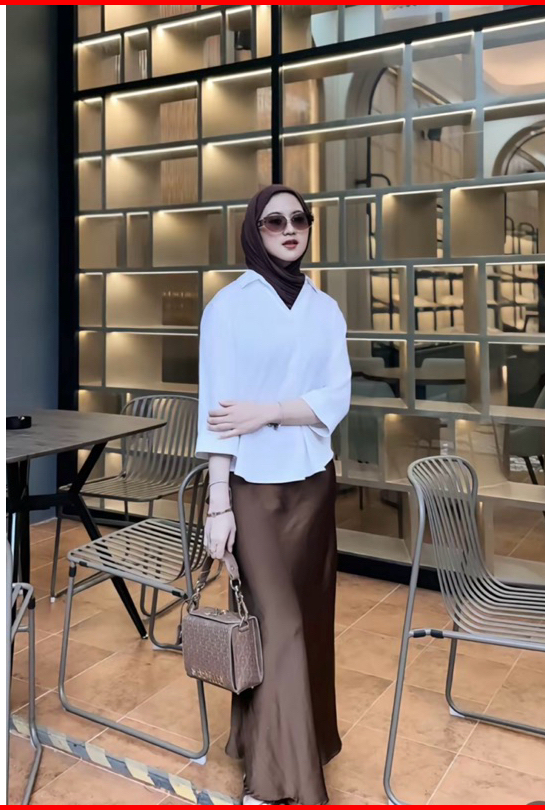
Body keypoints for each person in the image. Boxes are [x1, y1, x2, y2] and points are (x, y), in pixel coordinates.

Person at [194, 184, 352, 805]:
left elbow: (335, 397)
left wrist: (269, 411)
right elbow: (217, 412)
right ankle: (275, 781)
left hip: (313, 485)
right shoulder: (227, 307)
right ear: (253, 231)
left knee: (306, 624)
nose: (290, 229)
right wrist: (217, 504)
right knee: (277, 625)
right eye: (274, 221)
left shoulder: (325, 309)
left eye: (299, 219)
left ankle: (285, 741)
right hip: (251, 491)